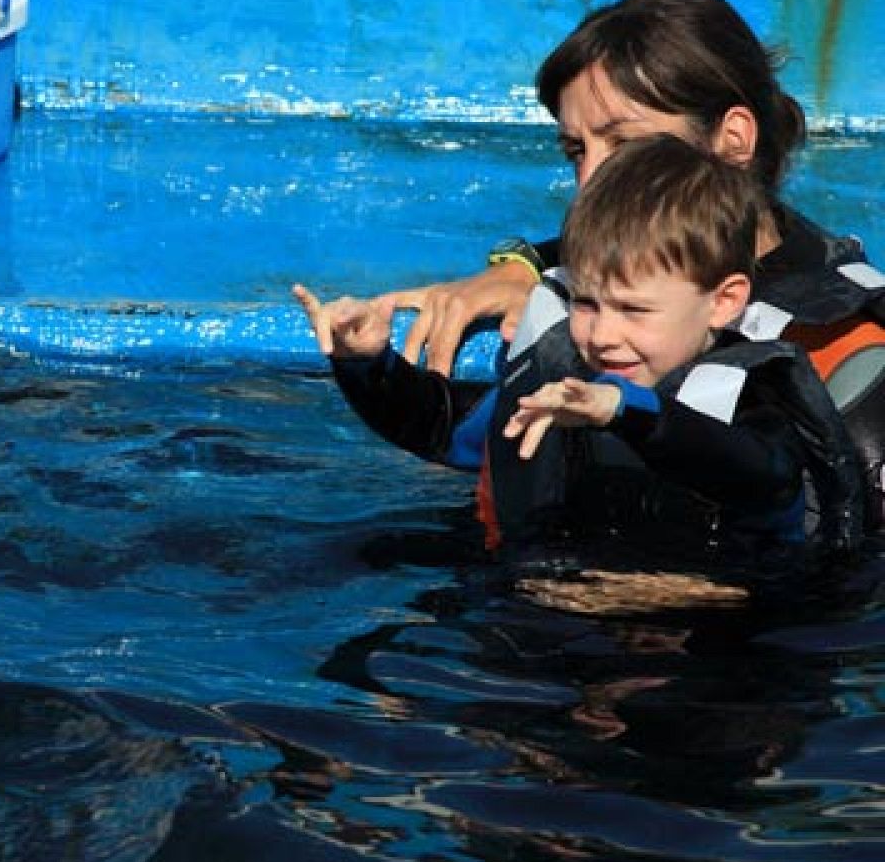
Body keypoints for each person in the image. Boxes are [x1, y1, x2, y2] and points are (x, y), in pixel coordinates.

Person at [370, 0, 885, 518]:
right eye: (576, 150)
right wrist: (521, 268)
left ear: (733, 140)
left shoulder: (848, 348)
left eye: (626, 143)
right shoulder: (568, 293)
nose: (591, 179)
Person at [294, 134, 870, 556]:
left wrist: (625, 410)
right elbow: (443, 430)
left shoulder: (753, 401)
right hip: (569, 627)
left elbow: (756, 473)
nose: (601, 334)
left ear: (723, 301)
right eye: (586, 303)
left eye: (634, 310)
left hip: (717, 659)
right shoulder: (562, 378)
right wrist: (367, 364)